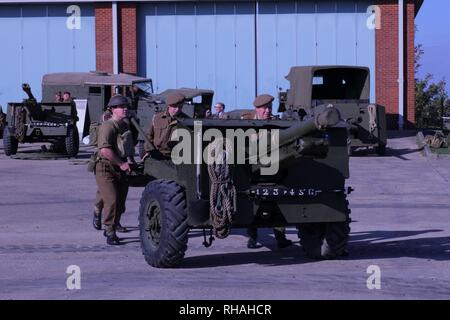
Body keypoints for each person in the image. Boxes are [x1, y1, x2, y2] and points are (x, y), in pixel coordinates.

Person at [243, 94, 293, 249]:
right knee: (252, 204)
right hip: (252, 169)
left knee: (278, 203)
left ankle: (280, 237)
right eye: (264, 108)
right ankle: (252, 237)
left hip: (274, 168)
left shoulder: (276, 123)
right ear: (256, 109)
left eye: (269, 108)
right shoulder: (246, 123)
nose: (267, 111)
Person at [95, 94, 133, 245]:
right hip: (105, 167)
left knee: (121, 202)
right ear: (112, 109)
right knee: (112, 200)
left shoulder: (125, 125)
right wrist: (121, 164)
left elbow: (127, 147)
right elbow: (105, 150)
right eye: (121, 107)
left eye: (126, 107)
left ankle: (113, 224)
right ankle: (110, 231)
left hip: (120, 167)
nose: (125, 109)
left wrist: (130, 161)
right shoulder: (107, 126)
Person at [143, 92, 188, 160]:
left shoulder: (186, 121)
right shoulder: (157, 118)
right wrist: (148, 151)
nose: (178, 109)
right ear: (169, 105)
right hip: (156, 154)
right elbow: (149, 136)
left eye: (180, 107)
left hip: (174, 157)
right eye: (175, 106)